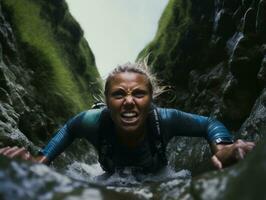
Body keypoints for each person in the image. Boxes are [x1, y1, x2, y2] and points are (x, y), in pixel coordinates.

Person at [0, 62, 255, 173]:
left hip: (157, 172)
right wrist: (38, 160)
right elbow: (68, 129)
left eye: (139, 94)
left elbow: (210, 123)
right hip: (112, 174)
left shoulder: (165, 119)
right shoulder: (91, 121)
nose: (130, 101)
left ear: (151, 99)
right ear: (107, 102)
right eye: (119, 94)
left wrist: (222, 147)